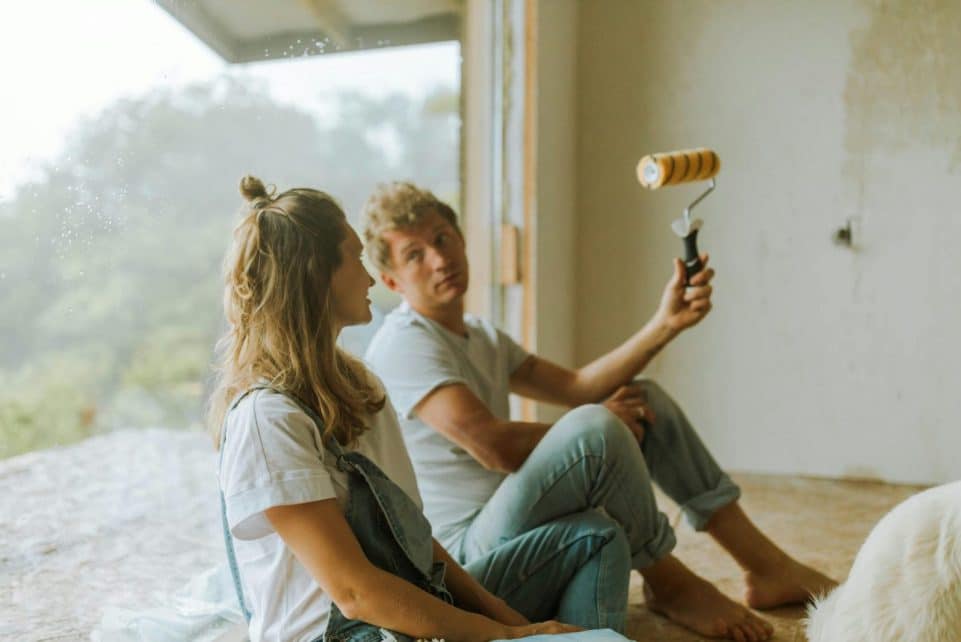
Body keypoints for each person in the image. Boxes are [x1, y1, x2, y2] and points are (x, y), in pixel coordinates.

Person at [362, 182, 836, 641]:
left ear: (463, 241)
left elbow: (576, 387)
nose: (440, 259)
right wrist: (597, 423)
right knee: (597, 425)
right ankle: (671, 582)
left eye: (443, 239)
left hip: (512, 523)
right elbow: (493, 446)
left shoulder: (480, 334)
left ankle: (763, 564)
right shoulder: (405, 343)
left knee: (638, 402)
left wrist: (666, 324)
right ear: (391, 281)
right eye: (415, 255)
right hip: (468, 557)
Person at [207, 175, 615, 642]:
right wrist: (504, 638)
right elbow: (356, 594)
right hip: (344, 635)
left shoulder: (359, 388)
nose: (368, 277)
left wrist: (513, 622)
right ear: (316, 276)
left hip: (411, 613)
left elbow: (414, 541)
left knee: (594, 538)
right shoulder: (267, 421)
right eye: (356, 258)